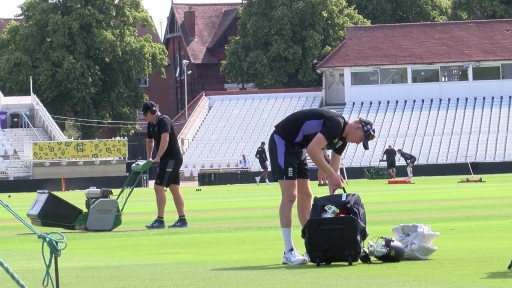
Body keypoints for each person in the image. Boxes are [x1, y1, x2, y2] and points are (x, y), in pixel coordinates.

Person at [268, 108, 376, 265]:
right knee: (290, 195)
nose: (359, 142)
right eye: (362, 139)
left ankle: (312, 246)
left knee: (306, 196)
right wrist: (331, 174)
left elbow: (334, 168)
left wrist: (334, 185)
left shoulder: (342, 140)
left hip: (299, 147)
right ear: (358, 127)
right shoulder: (337, 123)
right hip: (284, 141)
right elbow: (313, 150)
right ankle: (288, 251)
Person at [142, 101, 189, 229]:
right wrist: (149, 158)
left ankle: (160, 220)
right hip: (166, 160)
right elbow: (149, 140)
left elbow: (165, 140)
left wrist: (158, 157)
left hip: (172, 158)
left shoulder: (164, 120)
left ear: (152, 112)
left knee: (158, 186)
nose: (145, 117)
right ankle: (182, 220)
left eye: (146, 114)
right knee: (174, 188)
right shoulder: (151, 124)